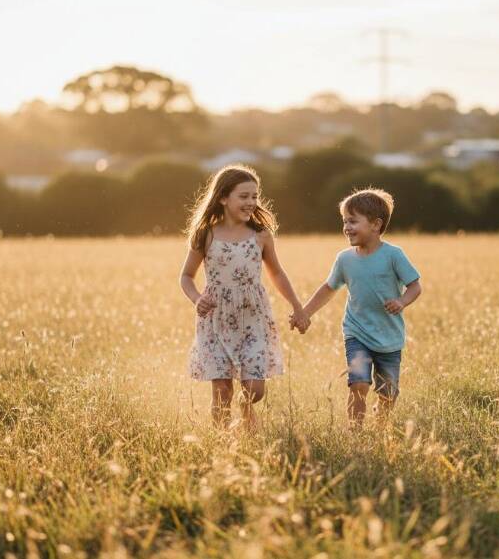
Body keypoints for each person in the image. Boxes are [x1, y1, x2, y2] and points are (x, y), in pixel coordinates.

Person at [180, 164, 309, 430]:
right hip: (215, 318)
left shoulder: (261, 236)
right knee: (221, 388)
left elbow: (277, 274)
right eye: (244, 196)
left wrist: (298, 307)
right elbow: (186, 276)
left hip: (253, 317)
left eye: (255, 196)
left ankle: (246, 409)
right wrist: (196, 299)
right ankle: (222, 441)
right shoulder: (206, 234)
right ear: (223, 198)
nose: (251, 202)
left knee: (254, 388)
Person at [294, 188, 421, 427]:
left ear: (375, 225)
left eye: (353, 221)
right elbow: (328, 288)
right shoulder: (345, 259)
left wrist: (402, 301)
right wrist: (305, 312)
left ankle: (381, 425)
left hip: (389, 337)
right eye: (344, 222)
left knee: (388, 393)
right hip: (357, 333)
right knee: (359, 383)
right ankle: (356, 431)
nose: (346, 227)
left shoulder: (393, 255)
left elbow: (415, 286)